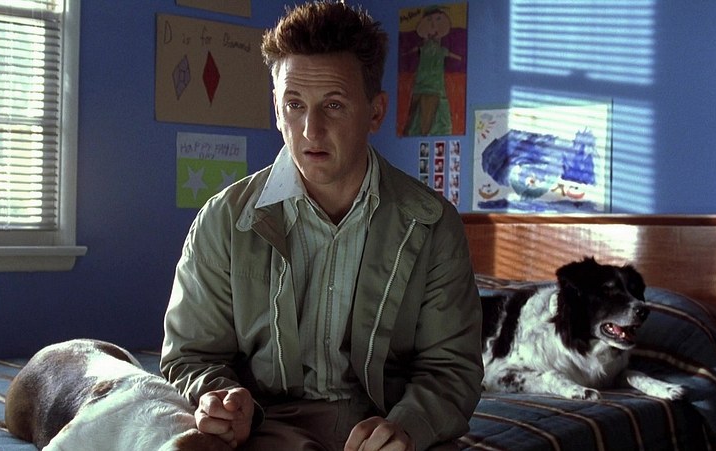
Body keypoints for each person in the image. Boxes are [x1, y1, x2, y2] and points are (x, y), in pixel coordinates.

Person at [161, 2, 483, 450]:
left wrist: (409, 426)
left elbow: (451, 368)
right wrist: (221, 401)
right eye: (294, 105)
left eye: (334, 105)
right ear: (277, 109)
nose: (311, 130)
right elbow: (191, 356)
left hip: (386, 426)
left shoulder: (430, 223)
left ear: (375, 112)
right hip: (265, 425)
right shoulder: (225, 220)